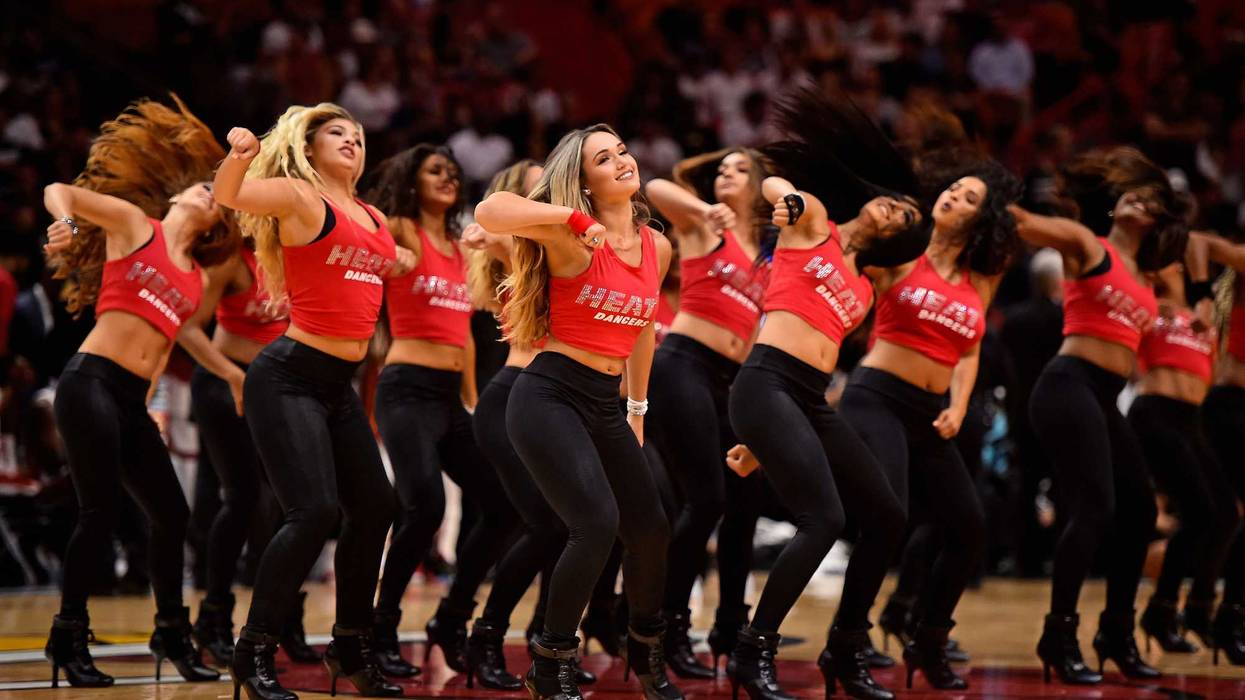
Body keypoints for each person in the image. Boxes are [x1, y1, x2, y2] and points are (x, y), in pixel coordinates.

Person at [724, 87, 930, 700]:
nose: (896, 214)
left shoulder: (865, 292)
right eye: (898, 206)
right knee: (824, 518)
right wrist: (782, 199)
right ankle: (750, 648)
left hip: (808, 400)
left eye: (906, 222)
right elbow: (772, 188)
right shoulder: (810, 220)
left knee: (888, 515)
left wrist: (761, 445)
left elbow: (823, 361)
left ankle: (845, 649)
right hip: (764, 382)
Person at [214, 103, 415, 700]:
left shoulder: (373, 215)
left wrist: (403, 261)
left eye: (357, 135)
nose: (352, 140)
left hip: (339, 385)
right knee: (314, 512)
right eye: (337, 133)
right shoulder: (302, 198)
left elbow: (387, 263)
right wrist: (241, 156)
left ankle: (349, 648)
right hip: (287, 377)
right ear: (309, 145)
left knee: (377, 508)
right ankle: (252, 654)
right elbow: (233, 196)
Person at [475, 124, 681, 700]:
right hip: (547, 395)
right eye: (602, 159)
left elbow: (642, 331)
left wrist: (637, 406)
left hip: (605, 401)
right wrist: (571, 219)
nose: (621, 162)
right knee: (593, 526)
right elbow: (491, 209)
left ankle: (643, 647)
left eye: (622, 151)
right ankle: (551, 661)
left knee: (651, 528)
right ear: (582, 181)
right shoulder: (571, 237)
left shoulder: (655, 245)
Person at [41, 96, 234, 688]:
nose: (208, 195)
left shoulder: (196, 276)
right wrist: (66, 223)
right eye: (201, 188)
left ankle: (171, 631)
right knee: (98, 514)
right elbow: (60, 190)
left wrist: (154, 405)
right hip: (89, 381)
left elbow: (168, 345)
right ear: (175, 196)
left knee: (172, 517)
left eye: (215, 198)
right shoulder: (133, 226)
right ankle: (68, 635)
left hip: (130, 398)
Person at [837, 160, 1022, 693]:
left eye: (968, 197)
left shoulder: (980, 279)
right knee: (888, 518)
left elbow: (969, 348)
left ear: (980, 219)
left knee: (969, 527)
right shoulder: (902, 251)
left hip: (930, 410)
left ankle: (929, 641)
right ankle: (846, 644)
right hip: (875, 398)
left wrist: (960, 405)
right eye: (953, 187)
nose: (952, 196)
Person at [1016, 146, 1190, 685]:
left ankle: (1116, 634)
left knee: (1138, 511)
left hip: (1104, 393)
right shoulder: (1088, 245)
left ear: (1158, 216)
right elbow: (1027, 225)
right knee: (1094, 508)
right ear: (1113, 207)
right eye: (1130, 194)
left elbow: (1191, 292)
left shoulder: (1146, 275)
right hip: (1067, 384)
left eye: (1150, 198)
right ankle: (1059, 633)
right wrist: (999, 198)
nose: (1138, 200)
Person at [366, 144, 519, 679]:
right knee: (425, 507)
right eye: (435, 171)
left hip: (452, 395)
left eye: (453, 173)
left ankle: (451, 619)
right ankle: (379, 629)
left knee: (504, 507)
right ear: (413, 180)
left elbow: (467, 338)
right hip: (406, 389)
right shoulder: (400, 228)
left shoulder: (460, 246)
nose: (448, 179)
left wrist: (473, 401)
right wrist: (390, 253)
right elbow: (365, 233)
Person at [643, 148, 770, 678]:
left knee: (745, 501)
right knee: (707, 497)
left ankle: (731, 626)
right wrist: (701, 209)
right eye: (723, 167)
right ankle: (663, 630)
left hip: (735, 380)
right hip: (684, 366)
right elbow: (652, 189)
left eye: (740, 170)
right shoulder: (701, 225)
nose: (727, 174)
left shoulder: (768, 254)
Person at [178, 236, 312, 667]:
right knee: (244, 500)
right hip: (224, 384)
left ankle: (285, 616)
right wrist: (233, 377)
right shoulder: (232, 260)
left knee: (296, 505)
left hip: (280, 388)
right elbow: (188, 327)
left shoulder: (299, 252)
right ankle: (213, 618)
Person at [1127, 258, 1239, 655]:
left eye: (1171, 261)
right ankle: (1166, 610)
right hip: (1155, 411)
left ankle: (1180, 610)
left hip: (1192, 417)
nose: (1166, 265)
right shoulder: (1146, 307)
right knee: (1202, 514)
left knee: (1223, 514)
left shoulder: (1201, 318)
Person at [1182, 230, 1245, 665]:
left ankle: (1210, 611)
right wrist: (1203, 296)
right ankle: (1211, 612)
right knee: (1223, 513)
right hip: (1229, 405)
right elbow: (1197, 240)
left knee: (1224, 514)